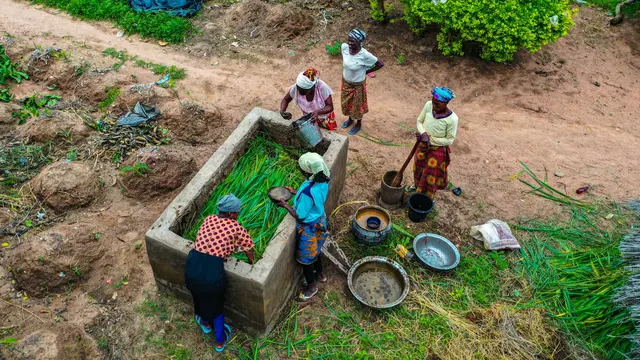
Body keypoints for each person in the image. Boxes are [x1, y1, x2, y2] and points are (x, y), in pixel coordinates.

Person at [184, 194, 255, 353]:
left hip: (192, 266)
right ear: (230, 214)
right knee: (216, 308)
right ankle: (220, 341)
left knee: (198, 297)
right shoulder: (236, 227)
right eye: (237, 211)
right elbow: (249, 249)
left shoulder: (209, 219)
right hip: (211, 275)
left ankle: (205, 323)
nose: (239, 213)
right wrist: (252, 265)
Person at [276, 153, 330, 301]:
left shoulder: (307, 193)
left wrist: (285, 205)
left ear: (308, 172)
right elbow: (312, 196)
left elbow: (300, 216)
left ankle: (311, 287)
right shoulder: (323, 178)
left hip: (309, 228)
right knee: (317, 249)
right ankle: (320, 273)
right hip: (320, 219)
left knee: (306, 258)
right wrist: (295, 192)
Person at [413, 87, 459, 199]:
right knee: (418, 168)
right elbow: (419, 121)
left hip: (437, 151)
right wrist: (423, 133)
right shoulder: (428, 105)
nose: (434, 106)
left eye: (437, 104)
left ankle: (428, 197)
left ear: (446, 103)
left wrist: (429, 139)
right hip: (423, 145)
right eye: (433, 102)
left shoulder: (452, 119)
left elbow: (449, 140)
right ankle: (417, 188)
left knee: (431, 175)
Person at [340, 29, 384, 135]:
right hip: (346, 83)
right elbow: (346, 60)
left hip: (357, 85)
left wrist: (366, 71)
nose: (350, 43)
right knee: (347, 104)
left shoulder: (365, 55)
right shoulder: (344, 47)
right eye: (349, 40)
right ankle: (350, 119)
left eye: (353, 41)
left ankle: (358, 123)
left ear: (359, 42)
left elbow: (380, 64)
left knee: (358, 106)